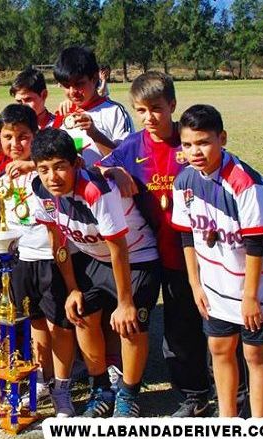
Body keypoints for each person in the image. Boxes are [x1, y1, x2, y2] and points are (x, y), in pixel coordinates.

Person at [97, 72, 237, 417]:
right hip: (148, 252)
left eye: (156, 108)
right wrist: (114, 172)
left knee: (206, 323)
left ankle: (234, 396)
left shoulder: (189, 141)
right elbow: (98, 169)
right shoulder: (132, 146)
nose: (149, 117)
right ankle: (194, 396)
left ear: (172, 105)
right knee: (175, 333)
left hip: (192, 253)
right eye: (141, 110)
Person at [31, 127, 160, 417]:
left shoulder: (96, 189)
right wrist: (72, 289)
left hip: (137, 258)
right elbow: (58, 241)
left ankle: (128, 394)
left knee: (130, 324)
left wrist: (125, 302)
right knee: (81, 314)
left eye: (60, 167)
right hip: (95, 258)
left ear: (76, 163)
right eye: (44, 169)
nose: (52, 177)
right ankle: (100, 388)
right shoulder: (40, 189)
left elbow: (118, 248)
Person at [171, 104, 263, 418]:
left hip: (255, 285)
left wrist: (250, 296)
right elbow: (186, 235)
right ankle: (227, 420)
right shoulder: (184, 182)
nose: (195, 151)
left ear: (222, 138)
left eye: (203, 142)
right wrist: (195, 284)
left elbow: (256, 242)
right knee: (219, 348)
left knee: (255, 353)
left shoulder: (246, 182)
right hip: (215, 284)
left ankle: (260, 429)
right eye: (187, 144)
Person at [0, 104, 74, 416]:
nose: (15, 143)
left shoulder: (45, 172)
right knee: (36, 322)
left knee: (59, 327)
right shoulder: (3, 178)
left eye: (23, 136)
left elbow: (78, 151)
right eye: (8, 137)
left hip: (52, 258)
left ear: (35, 135)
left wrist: (31, 165)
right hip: (21, 261)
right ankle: (43, 378)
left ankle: (63, 390)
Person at [52, 47, 133, 167]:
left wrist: (94, 133)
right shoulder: (62, 114)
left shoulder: (115, 112)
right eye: (66, 86)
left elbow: (127, 162)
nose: (72, 92)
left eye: (79, 84)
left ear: (94, 78)